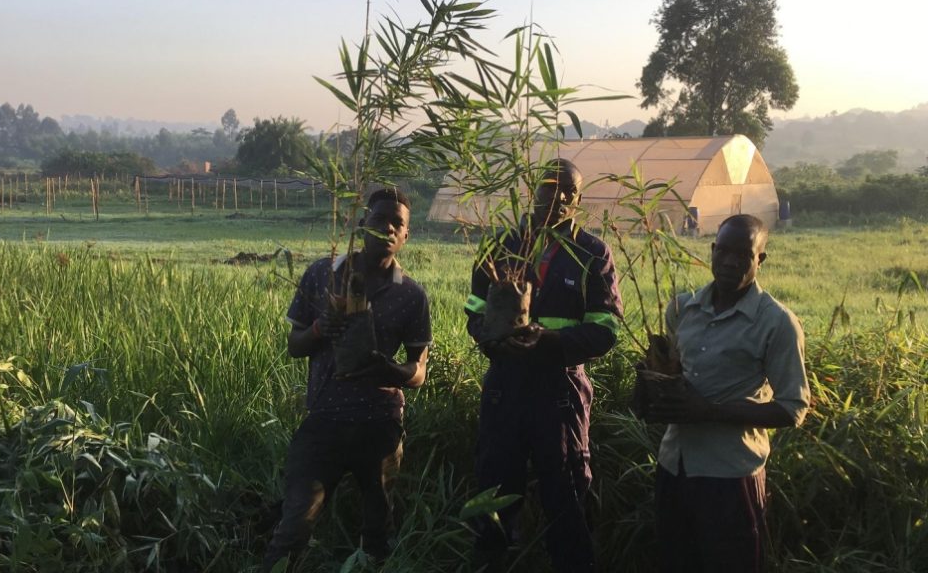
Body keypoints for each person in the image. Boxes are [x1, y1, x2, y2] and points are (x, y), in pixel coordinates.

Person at [463, 158, 623, 573]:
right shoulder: (500, 245)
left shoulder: (593, 252)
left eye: (570, 190)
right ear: (534, 190)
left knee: (567, 492)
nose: (561, 196)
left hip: (561, 392)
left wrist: (550, 341)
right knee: (495, 489)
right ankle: (491, 562)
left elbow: (605, 330)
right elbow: (474, 313)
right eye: (552, 186)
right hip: (505, 385)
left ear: (579, 198)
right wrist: (493, 339)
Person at [263, 188, 432, 572]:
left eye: (398, 224)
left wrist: (391, 371)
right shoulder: (323, 273)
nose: (387, 228)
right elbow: (295, 345)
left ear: (406, 236)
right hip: (324, 421)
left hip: (381, 427)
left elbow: (419, 371)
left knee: (378, 532)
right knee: (294, 526)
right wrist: (322, 328)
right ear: (362, 224)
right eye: (379, 219)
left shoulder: (412, 296)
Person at [638, 214, 810, 573]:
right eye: (724, 251)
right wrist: (649, 385)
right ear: (712, 250)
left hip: (731, 477)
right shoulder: (682, 308)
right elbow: (672, 384)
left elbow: (792, 409)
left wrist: (711, 411)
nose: (731, 262)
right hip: (675, 467)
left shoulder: (776, 322)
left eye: (744, 255)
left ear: (760, 259)